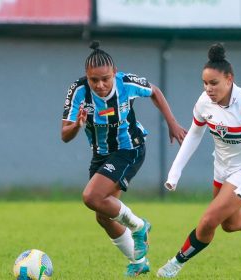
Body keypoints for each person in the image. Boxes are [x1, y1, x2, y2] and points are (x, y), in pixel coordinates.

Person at [156, 43, 241, 278]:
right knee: (230, 224)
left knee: (209, 220)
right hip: (222, 168)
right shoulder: (203, 102)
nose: (208, 89)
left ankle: (174, 264)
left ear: (229, 79)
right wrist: (175, 172)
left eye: (214, 83)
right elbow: (194, 134)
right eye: (205, 83)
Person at [62, 41, 187, 277]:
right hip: (101, 155)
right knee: (103, 215)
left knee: (91, 196)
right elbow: (64, 135)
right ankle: (138, 261)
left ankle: (139, 227)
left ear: (114, 73)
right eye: (93, 80)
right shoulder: (78, 91)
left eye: (105, 79)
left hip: (130, 148)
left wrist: (171, 122)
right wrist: (77, 126)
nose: (100, 85)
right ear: (86, 77)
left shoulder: (126, 82)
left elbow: (155, 92)